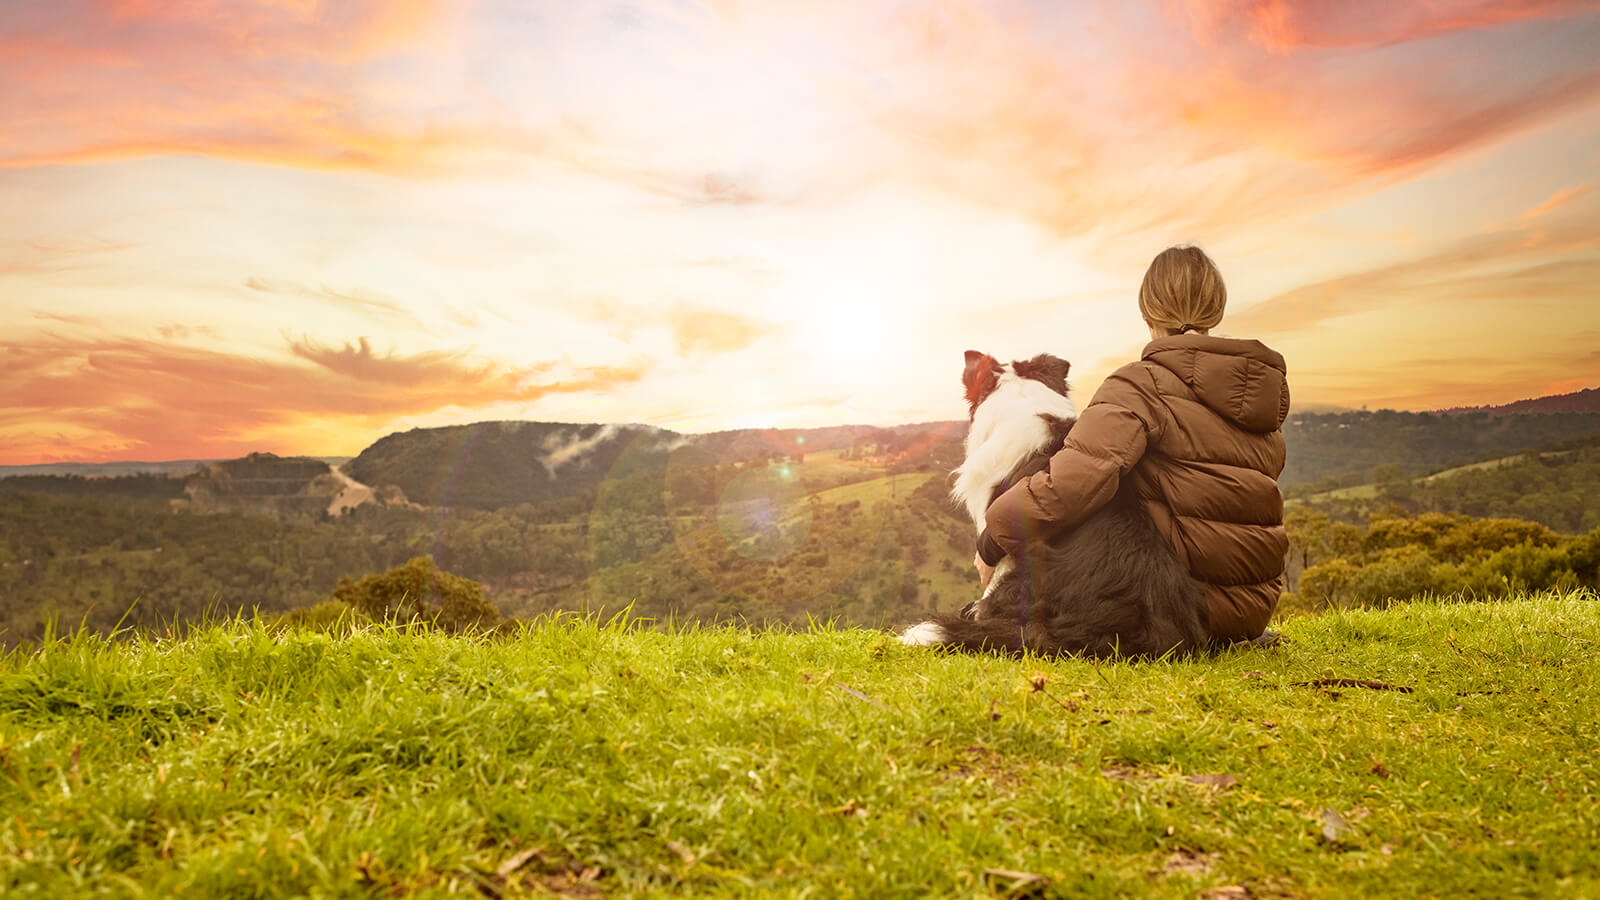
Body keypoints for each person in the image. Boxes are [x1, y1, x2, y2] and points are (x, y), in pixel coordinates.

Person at [974, 245, 1289, 642]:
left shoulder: (1141, 384)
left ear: (1148, 314)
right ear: (1216, 309)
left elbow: (1068, 486)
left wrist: (992, 539)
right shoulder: (1259, 391)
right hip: (1251, 611)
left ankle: (1004, 610)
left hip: (1173, 608)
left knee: (1075, 488)